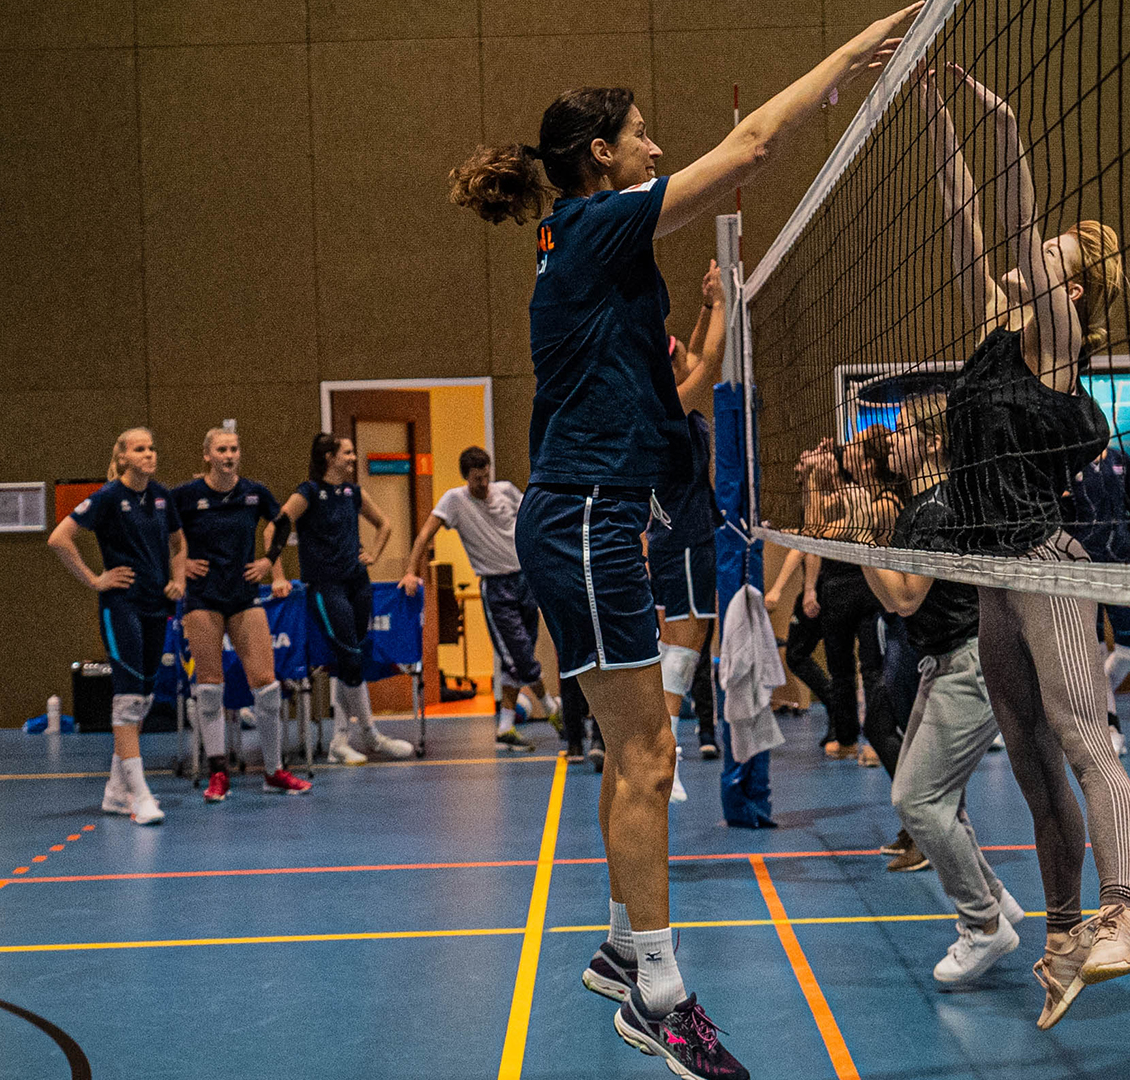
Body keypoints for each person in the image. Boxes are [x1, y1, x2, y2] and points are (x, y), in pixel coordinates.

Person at [447, 6, 917, 1074]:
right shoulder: (596, 224)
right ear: (600, 155)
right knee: (649, 753)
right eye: (642, 135)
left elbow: (675, 386)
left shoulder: (585, 248)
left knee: (637, 751)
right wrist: (852, 54)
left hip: (599, 516)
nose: (657, 148)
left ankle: (624, 949)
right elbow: (750, 147)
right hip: (585, 516)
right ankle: (659, 993)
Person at [922, 64, 1130, 1030]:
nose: (1035, 249)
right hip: (990, 571)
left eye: (1055, 249)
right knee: (1026, 757)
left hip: (1045, 564)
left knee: (1082, 738)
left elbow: (1016, 217)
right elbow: (963, 216)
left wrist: (1005, 121)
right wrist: (932, 113)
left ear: (1075, 283)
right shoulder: (998, 327)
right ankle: (1062, 937)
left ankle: (1122, 917)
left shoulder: (1057, 339)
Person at [860, 393, 1025, 983]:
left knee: (917, 800)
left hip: (969, 663)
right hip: (946, 661)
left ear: (932, 442)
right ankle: (995, 899)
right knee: (936, 797)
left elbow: (904, 597)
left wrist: (861, 545)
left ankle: (983, 924)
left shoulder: (936, 510)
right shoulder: (919, 507)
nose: (890, 437)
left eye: (902, 428)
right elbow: (898, 600)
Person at [48, 427, 186, 825]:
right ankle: (140, 795)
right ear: (123, 457)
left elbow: (179, 543)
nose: (149, 454)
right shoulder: (108, 496)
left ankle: (115, 790)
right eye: (139, 449)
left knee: (143, 698)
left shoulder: (161, 496)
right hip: (121, 606)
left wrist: (178, 580)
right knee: (127, 698)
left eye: (152, 448)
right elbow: (60, 538)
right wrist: (95, 579)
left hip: (156, 606)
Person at [172, 428, 312, 800]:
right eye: (221, 449)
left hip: (243, 596)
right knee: (209, 686)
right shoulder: (186, 496)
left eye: (234, 448)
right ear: (207, 455)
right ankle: (219, 773)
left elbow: (282, 523)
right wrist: (181, 565)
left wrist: (268, 561)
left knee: (266, 686)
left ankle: (274, 771)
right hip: (203, 599)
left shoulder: (254, 493)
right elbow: (160, 531)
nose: (229, 455)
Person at [401, 446, 557, 754]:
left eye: (486, 476)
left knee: (517, 658)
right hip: (496, 587)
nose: (483, 484)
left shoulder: (506, 491)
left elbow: (532, 522)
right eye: (476, 480)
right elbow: (424, 535)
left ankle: (505, 727)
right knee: (520, 655)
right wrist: (410, 571)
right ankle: (552, 708)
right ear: (466, 478)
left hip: (525, 579)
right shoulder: (454, 501)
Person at [276, 433, 412, 764]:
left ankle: (342, 739)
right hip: (326, 586)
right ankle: (368, 734)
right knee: (349, 657)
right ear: (329, 457)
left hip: (358, 582)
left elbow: (384, 524)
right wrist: (277, 575)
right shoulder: (308, 492)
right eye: (347, 453)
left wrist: (374, 554)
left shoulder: (353, 493)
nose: (352, 458)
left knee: (350, 660)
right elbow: (274, 528)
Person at [647, 259, 728, 801]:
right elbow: (711, 360)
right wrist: (722, 303)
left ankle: (664, 747)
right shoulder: (671, 408)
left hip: (673, 539)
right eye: (677, 357)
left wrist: (703, 306)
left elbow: (696, 351)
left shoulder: (664, 401)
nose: (685, 357)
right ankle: (666, 753)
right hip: (684, 541)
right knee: (684, 645)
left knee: (681, 644)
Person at [801, 429, 904, 772]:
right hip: (840, 590)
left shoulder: (880, 501)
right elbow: (815, 528)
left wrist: (817, 481)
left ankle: (879, 739)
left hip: (874, 592)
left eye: (853, 446)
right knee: (841, 669)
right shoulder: (854, 493)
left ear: (866, 462)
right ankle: (847, 738)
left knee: (873, 668)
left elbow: (819, 531)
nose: (844, 449)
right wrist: (814, 478)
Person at [1064, 444, 1130, 755]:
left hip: (1121, 565)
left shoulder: (1121, 460)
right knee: (1094, 652)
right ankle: (1109, 725)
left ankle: (1092, 699)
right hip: (1082, 568)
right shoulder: (1067, 462)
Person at [763, 547, 835, 739]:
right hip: (821, 587)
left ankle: (838, 713)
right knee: (798, 655)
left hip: (828, 588)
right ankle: (836, 710)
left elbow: (806, 547)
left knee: (803, 655)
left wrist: (778, 590)